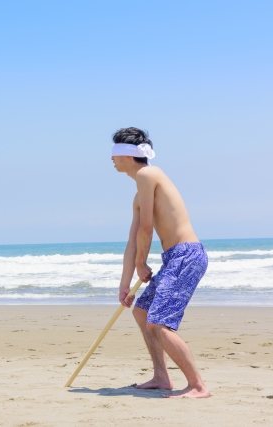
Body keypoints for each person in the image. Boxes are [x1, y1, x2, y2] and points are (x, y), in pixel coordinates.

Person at [111, 127, 210, 398]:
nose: (111, 159)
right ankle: (161, 377)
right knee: (142, 312)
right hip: (174, 258)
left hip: (186, 255)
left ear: (128, 155)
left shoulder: (148, 174)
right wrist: (124, 284)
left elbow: (147, 228)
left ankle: (198, 385)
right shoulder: (139, 192)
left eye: (114, 153)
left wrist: (142, 263)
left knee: (158, 322)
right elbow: (133, 241)